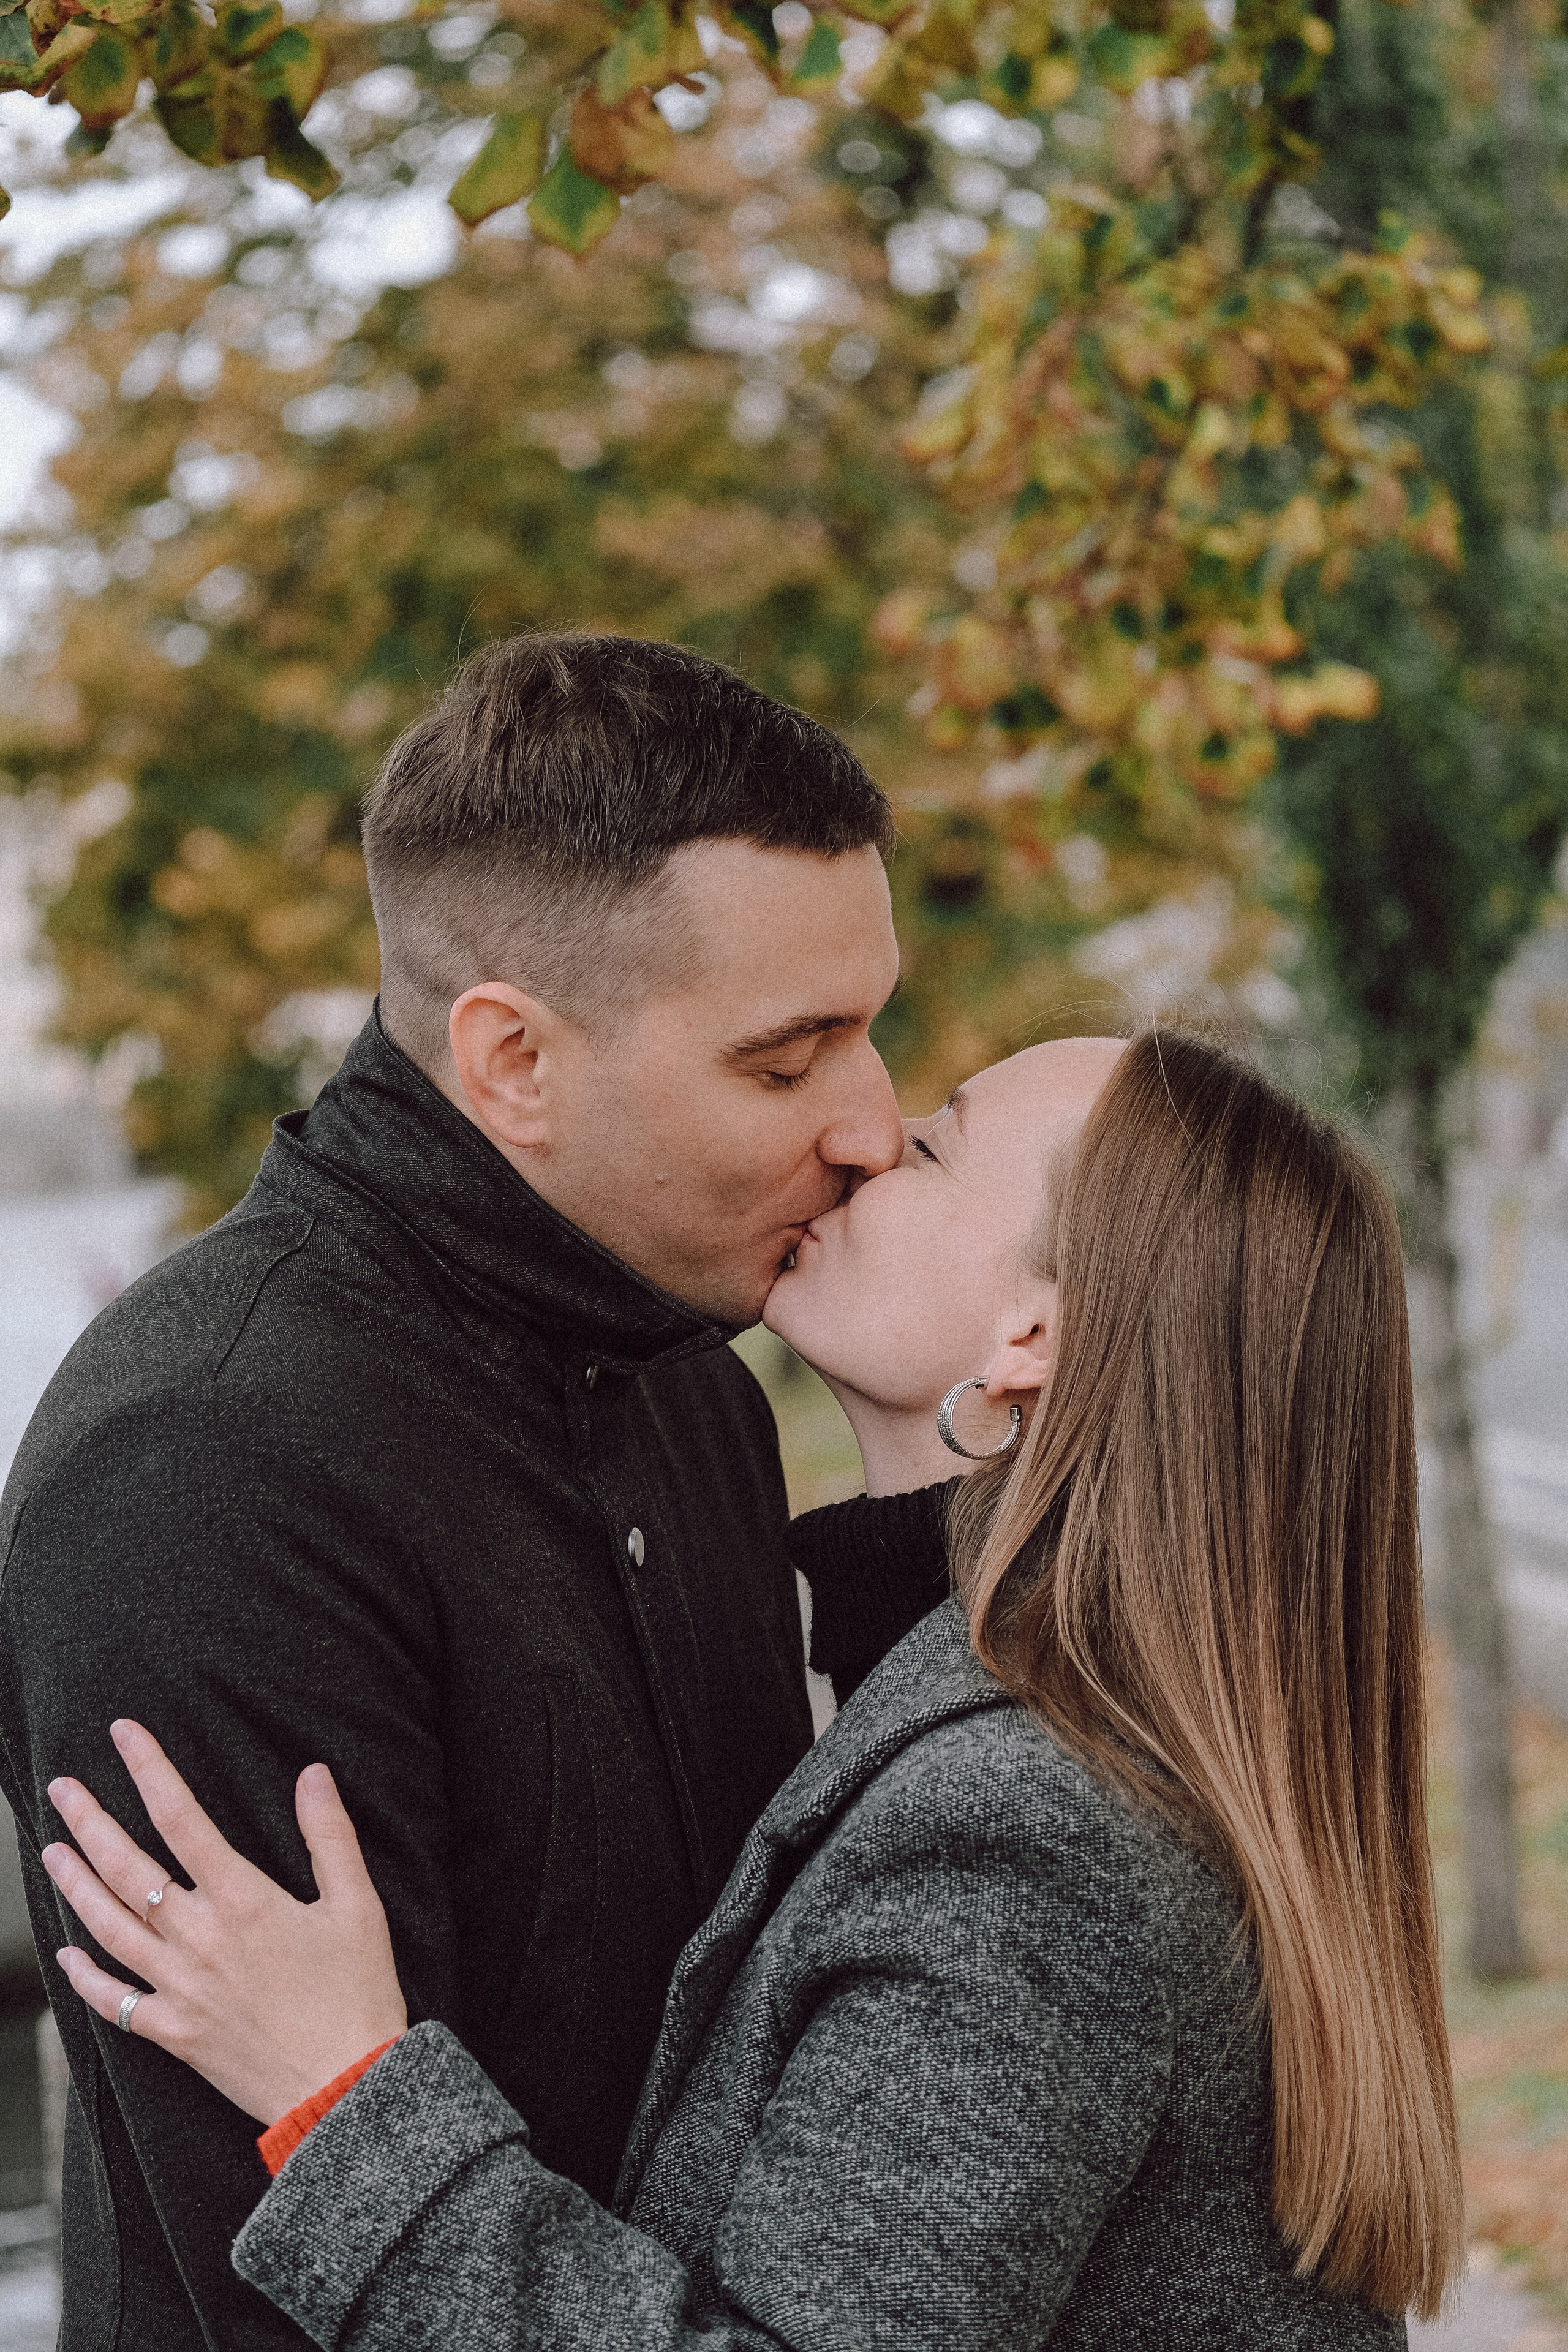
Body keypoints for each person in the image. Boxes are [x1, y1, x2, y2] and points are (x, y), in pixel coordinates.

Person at [43, 1031, 1465, 2348]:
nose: (867, 1137)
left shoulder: (1025, 1841)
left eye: (931, 1148)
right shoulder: (1037, 1738)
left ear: (1031, 1339)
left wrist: (344, 2101)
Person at [0, 633, 952, 2350]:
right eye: (785, 1058)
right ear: (511, 1058)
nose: (870, 1126)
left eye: (866, 1033)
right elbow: (271, 2284)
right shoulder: (208, 1469)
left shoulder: (696, 1383)